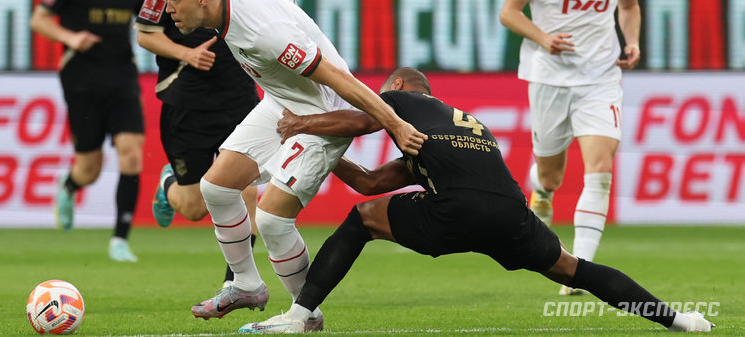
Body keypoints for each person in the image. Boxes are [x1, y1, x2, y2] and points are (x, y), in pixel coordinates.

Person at [238, 67, 714, 334]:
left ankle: (300, 317)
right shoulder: (463, 125)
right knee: (575, 271)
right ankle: (677, 320)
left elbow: (361, 126)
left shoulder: (399, 102)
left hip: (458, 210)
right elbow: (368, 181)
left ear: (399, 90)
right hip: (511, 213)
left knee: (361, 221)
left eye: (383, 94)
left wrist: (300, 125)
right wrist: (328, 158)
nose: (379, 101)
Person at [159, 0, 426, 324]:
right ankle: (246, 284)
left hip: (324, 110)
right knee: (216, 188)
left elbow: (339, 80)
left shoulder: (265, 35)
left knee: (270, 219)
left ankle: (305, 313)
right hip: (283, 101)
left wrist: (394, 124)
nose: (166, 8)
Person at [135, 0, 292, 286]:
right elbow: (145, 33)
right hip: (185, 104)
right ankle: (169, 182)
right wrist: (187, 53)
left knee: (250, 194)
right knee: (192, 207)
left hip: (240, 102)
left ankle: (236, 282)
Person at [498, 0, 642, 295]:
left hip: (601, 78)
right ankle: (540, 190)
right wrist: (544, 38)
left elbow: (629, 5)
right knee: (550, 177)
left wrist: (632, 41)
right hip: (550, 79)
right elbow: (509, 12)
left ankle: (582, 271)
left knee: (600, 167)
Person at [30, 0, 150, 262]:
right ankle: (69, 187)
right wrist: (70, 37)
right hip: (81, 78)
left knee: (131, 153)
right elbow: (39, 20)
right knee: (90, 167)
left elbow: (152, 27)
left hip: (122, 75)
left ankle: (119, 239)